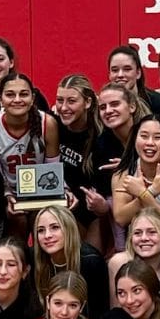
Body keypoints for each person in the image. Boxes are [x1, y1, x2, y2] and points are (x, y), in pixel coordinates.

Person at [0, 72, 59, 228]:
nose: (17, 100)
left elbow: (53, 171)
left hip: (42, 191)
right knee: (18, 220)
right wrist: (8, 197)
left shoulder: (47, 124)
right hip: (10, 194)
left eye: (23, 94)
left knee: (43, 219)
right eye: (10, 94)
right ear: (0, 100)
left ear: (32, 99)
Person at [52, 74, 109, 247]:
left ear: (88, 103)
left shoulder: (102, 138)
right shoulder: (53, 124)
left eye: (71, 101)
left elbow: (103, 196)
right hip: (59, 205)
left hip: (91, 213)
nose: (63, 107)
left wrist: (101, 207)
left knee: (91, 260)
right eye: (60, 100)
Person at [30, 205, 109, 318]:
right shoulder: (34, 258)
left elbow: (99, 313)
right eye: (41, 230)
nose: (47, 235)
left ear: (69, 228)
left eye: (55, 227)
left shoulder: (91, 261)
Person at [107, 44, 160, 120]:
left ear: (138, 73)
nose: (120, 75)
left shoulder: (159, 104)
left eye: (127, 69)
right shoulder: (103, 106)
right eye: (115, 70)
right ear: (109, 75)